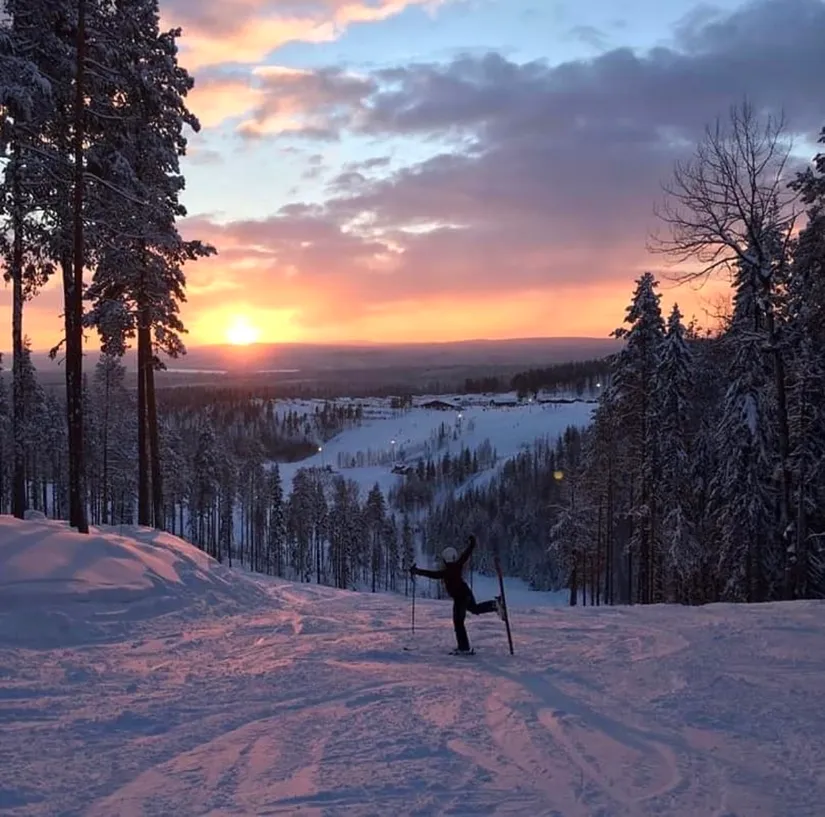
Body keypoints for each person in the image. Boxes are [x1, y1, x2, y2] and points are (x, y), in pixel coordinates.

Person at [410, 535, 506, 654]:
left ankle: (464, 648)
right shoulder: (457, 566)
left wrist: (417, 571)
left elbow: (432, 575)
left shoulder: (447, 572)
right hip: (466, 592)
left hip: (460, 598)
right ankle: (494, 605)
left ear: (446, 559)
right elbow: (465, 555)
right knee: (474, 609)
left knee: (458, 622)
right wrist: (472, 544)